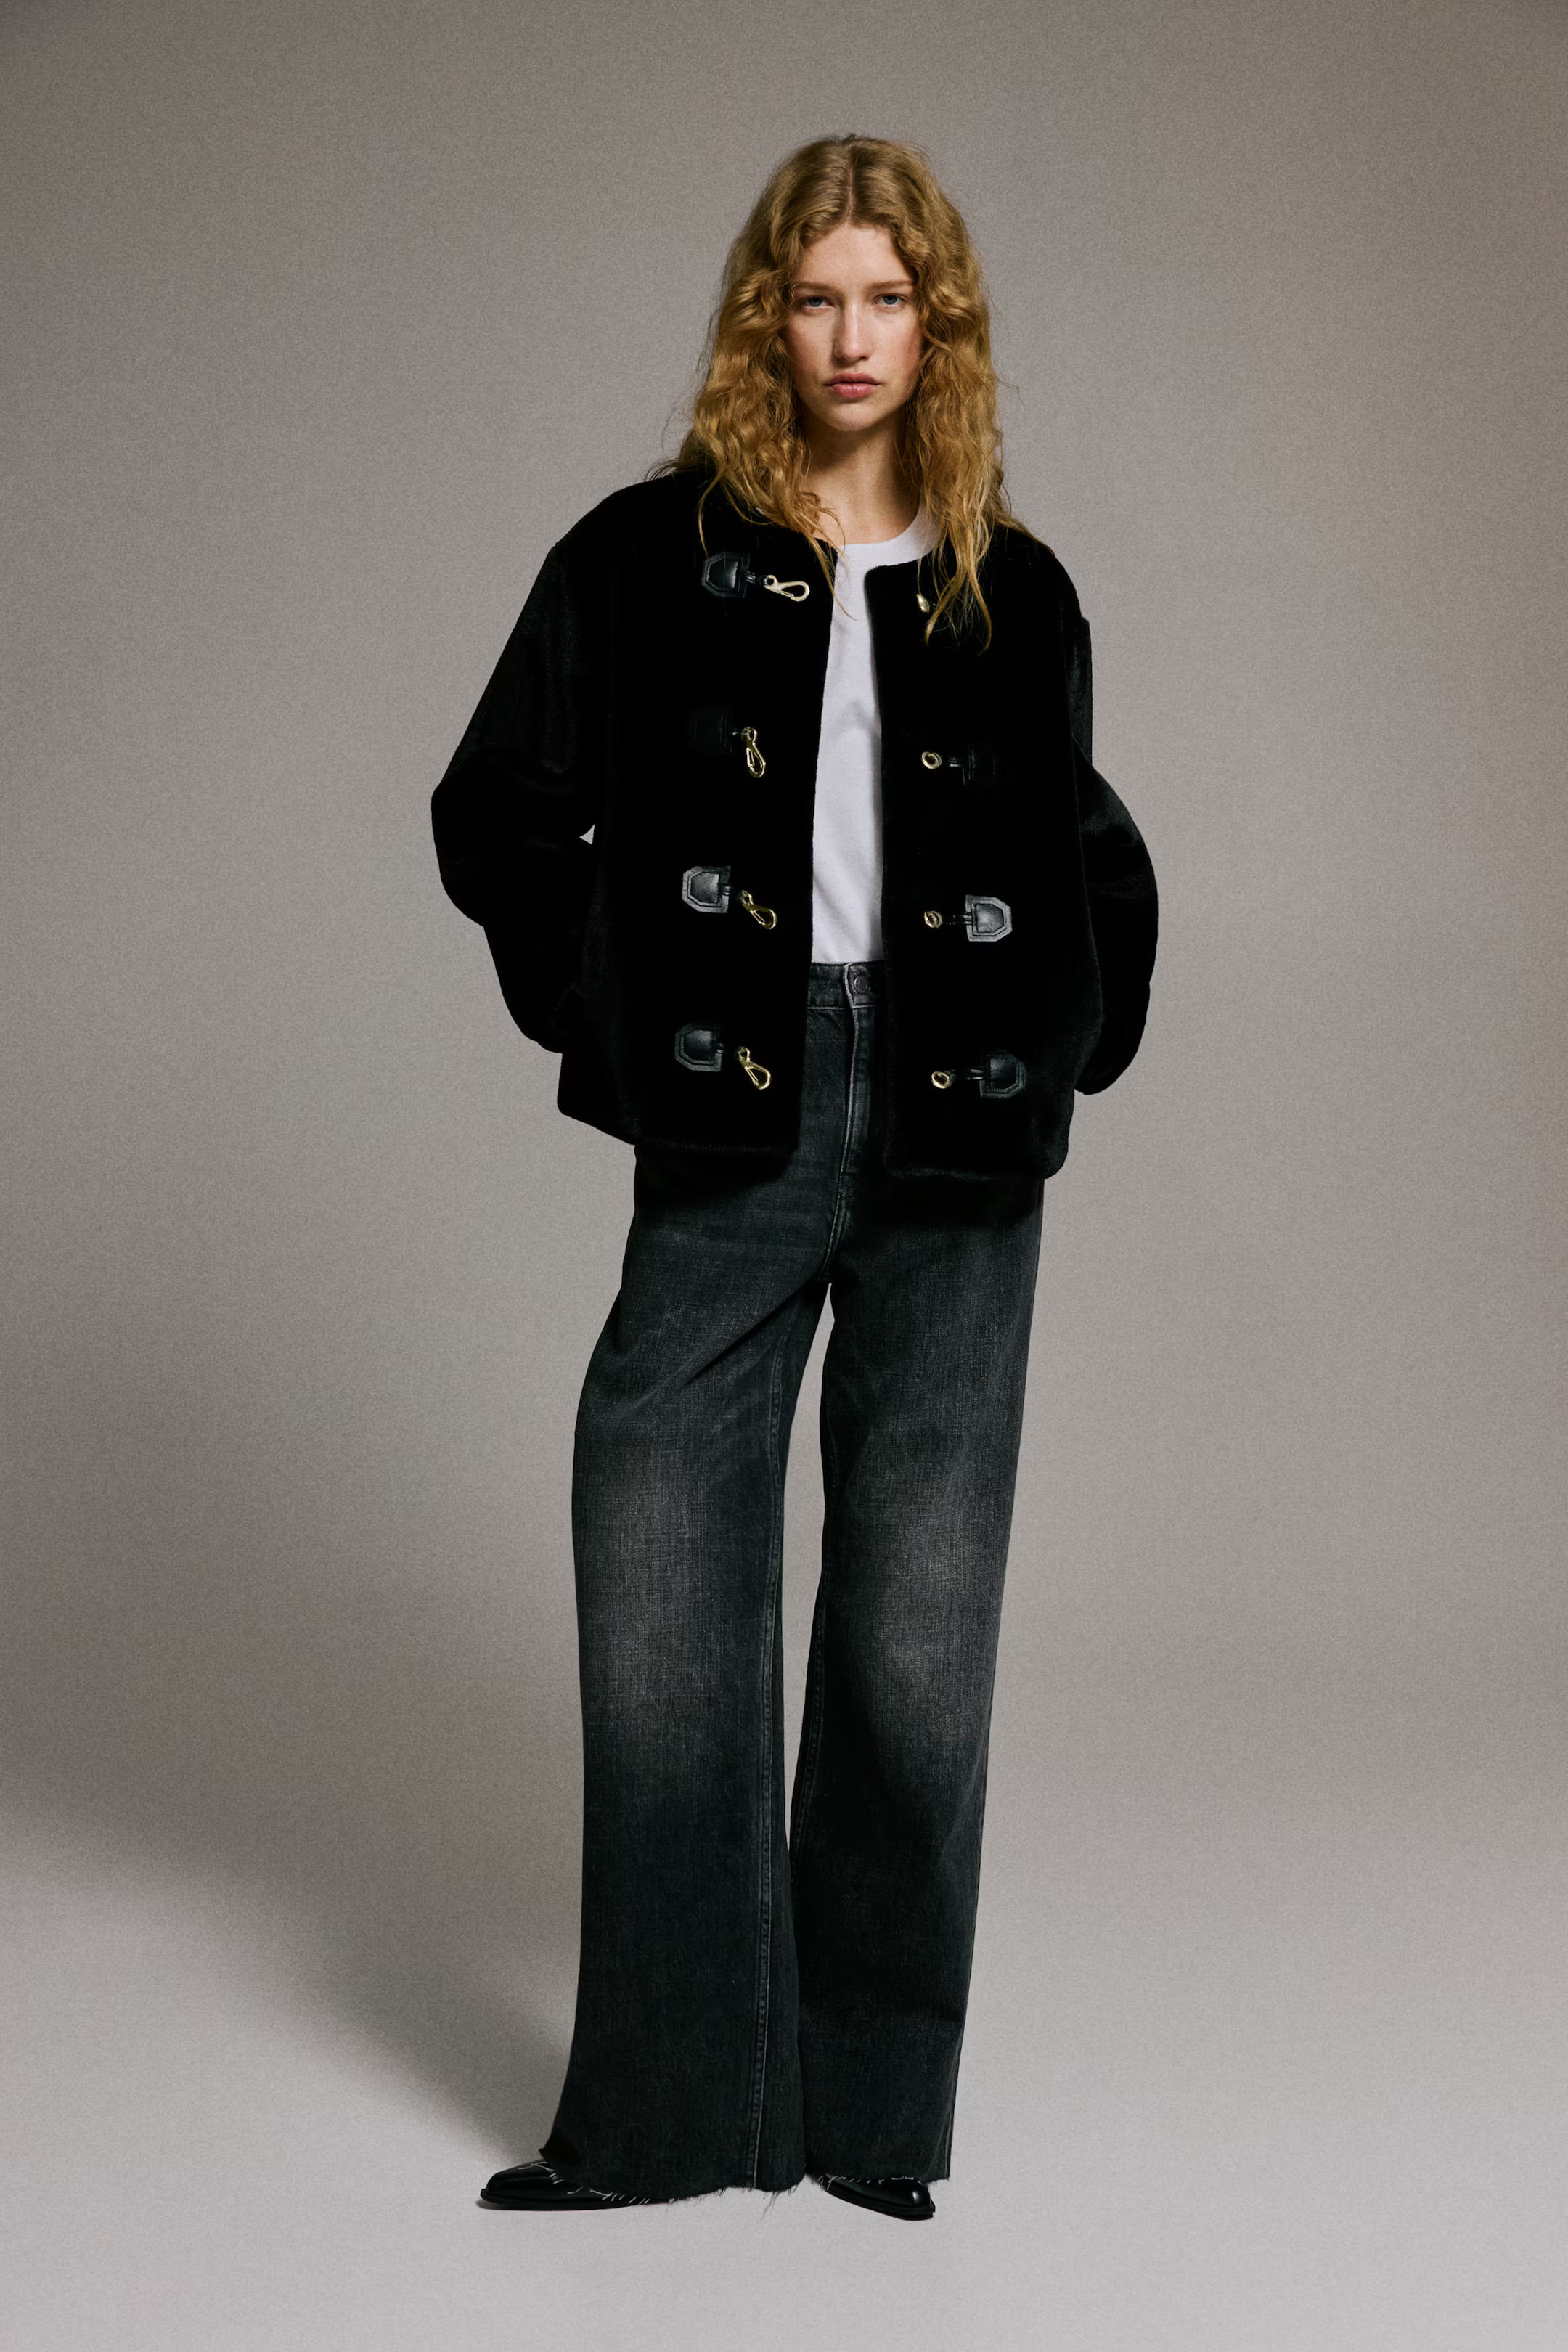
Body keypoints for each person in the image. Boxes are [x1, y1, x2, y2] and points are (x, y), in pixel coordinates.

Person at [431, 133, 1156, 2222]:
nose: (853, 337)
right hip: (737, 1112)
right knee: (663, 1590)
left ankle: (865, 2120)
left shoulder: (1013, 589)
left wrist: (1074, 1023)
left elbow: (1084, 841)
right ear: (770, 319)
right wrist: (618, 1002)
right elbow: (497, 810)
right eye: (817, 296)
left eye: (889, 299)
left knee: (919, 1643)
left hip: (955, 1131)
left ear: (941, 328)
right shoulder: (641, 559)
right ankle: (667, 2120)